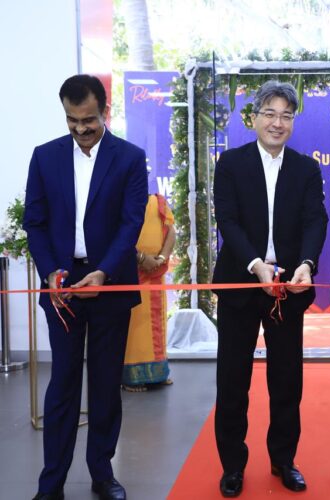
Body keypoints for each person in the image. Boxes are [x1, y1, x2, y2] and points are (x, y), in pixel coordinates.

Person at [23, 74, 148, 500]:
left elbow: (131, 223)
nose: (81, 129)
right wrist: (50, 273)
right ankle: (51, 483)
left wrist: (105, 272)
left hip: (109, 285)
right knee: (62, 385)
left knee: (105, 383)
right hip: (62, 287)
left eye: (88, 120)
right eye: (72, 120)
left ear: (104, 111)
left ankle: (102, 473)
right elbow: (35, 222)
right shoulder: (45, 157)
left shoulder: (129, 158)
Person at [212, 80, 328, 497]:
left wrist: (307, 264)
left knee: (286, 381)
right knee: (232, 381)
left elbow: (316, 220)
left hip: (288, 289)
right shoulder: (230, 163)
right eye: (270, 114)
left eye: (286, 116)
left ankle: (283, 460)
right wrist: (256, 264)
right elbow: (228, 221)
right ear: (254, 117)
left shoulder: (306, 168)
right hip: (241, 284)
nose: (278, 123)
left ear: (293, 122)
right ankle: (233, 466)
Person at [122, 193, 176, 391]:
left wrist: (160, 258)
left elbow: (171, 232)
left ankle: (157, 374)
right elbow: (118, 236)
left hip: (155, 272)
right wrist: (142, 258)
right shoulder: (120, 199)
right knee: (134, 326)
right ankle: (130, 377)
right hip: (129, 271)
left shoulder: (157, 201)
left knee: (156, 324)